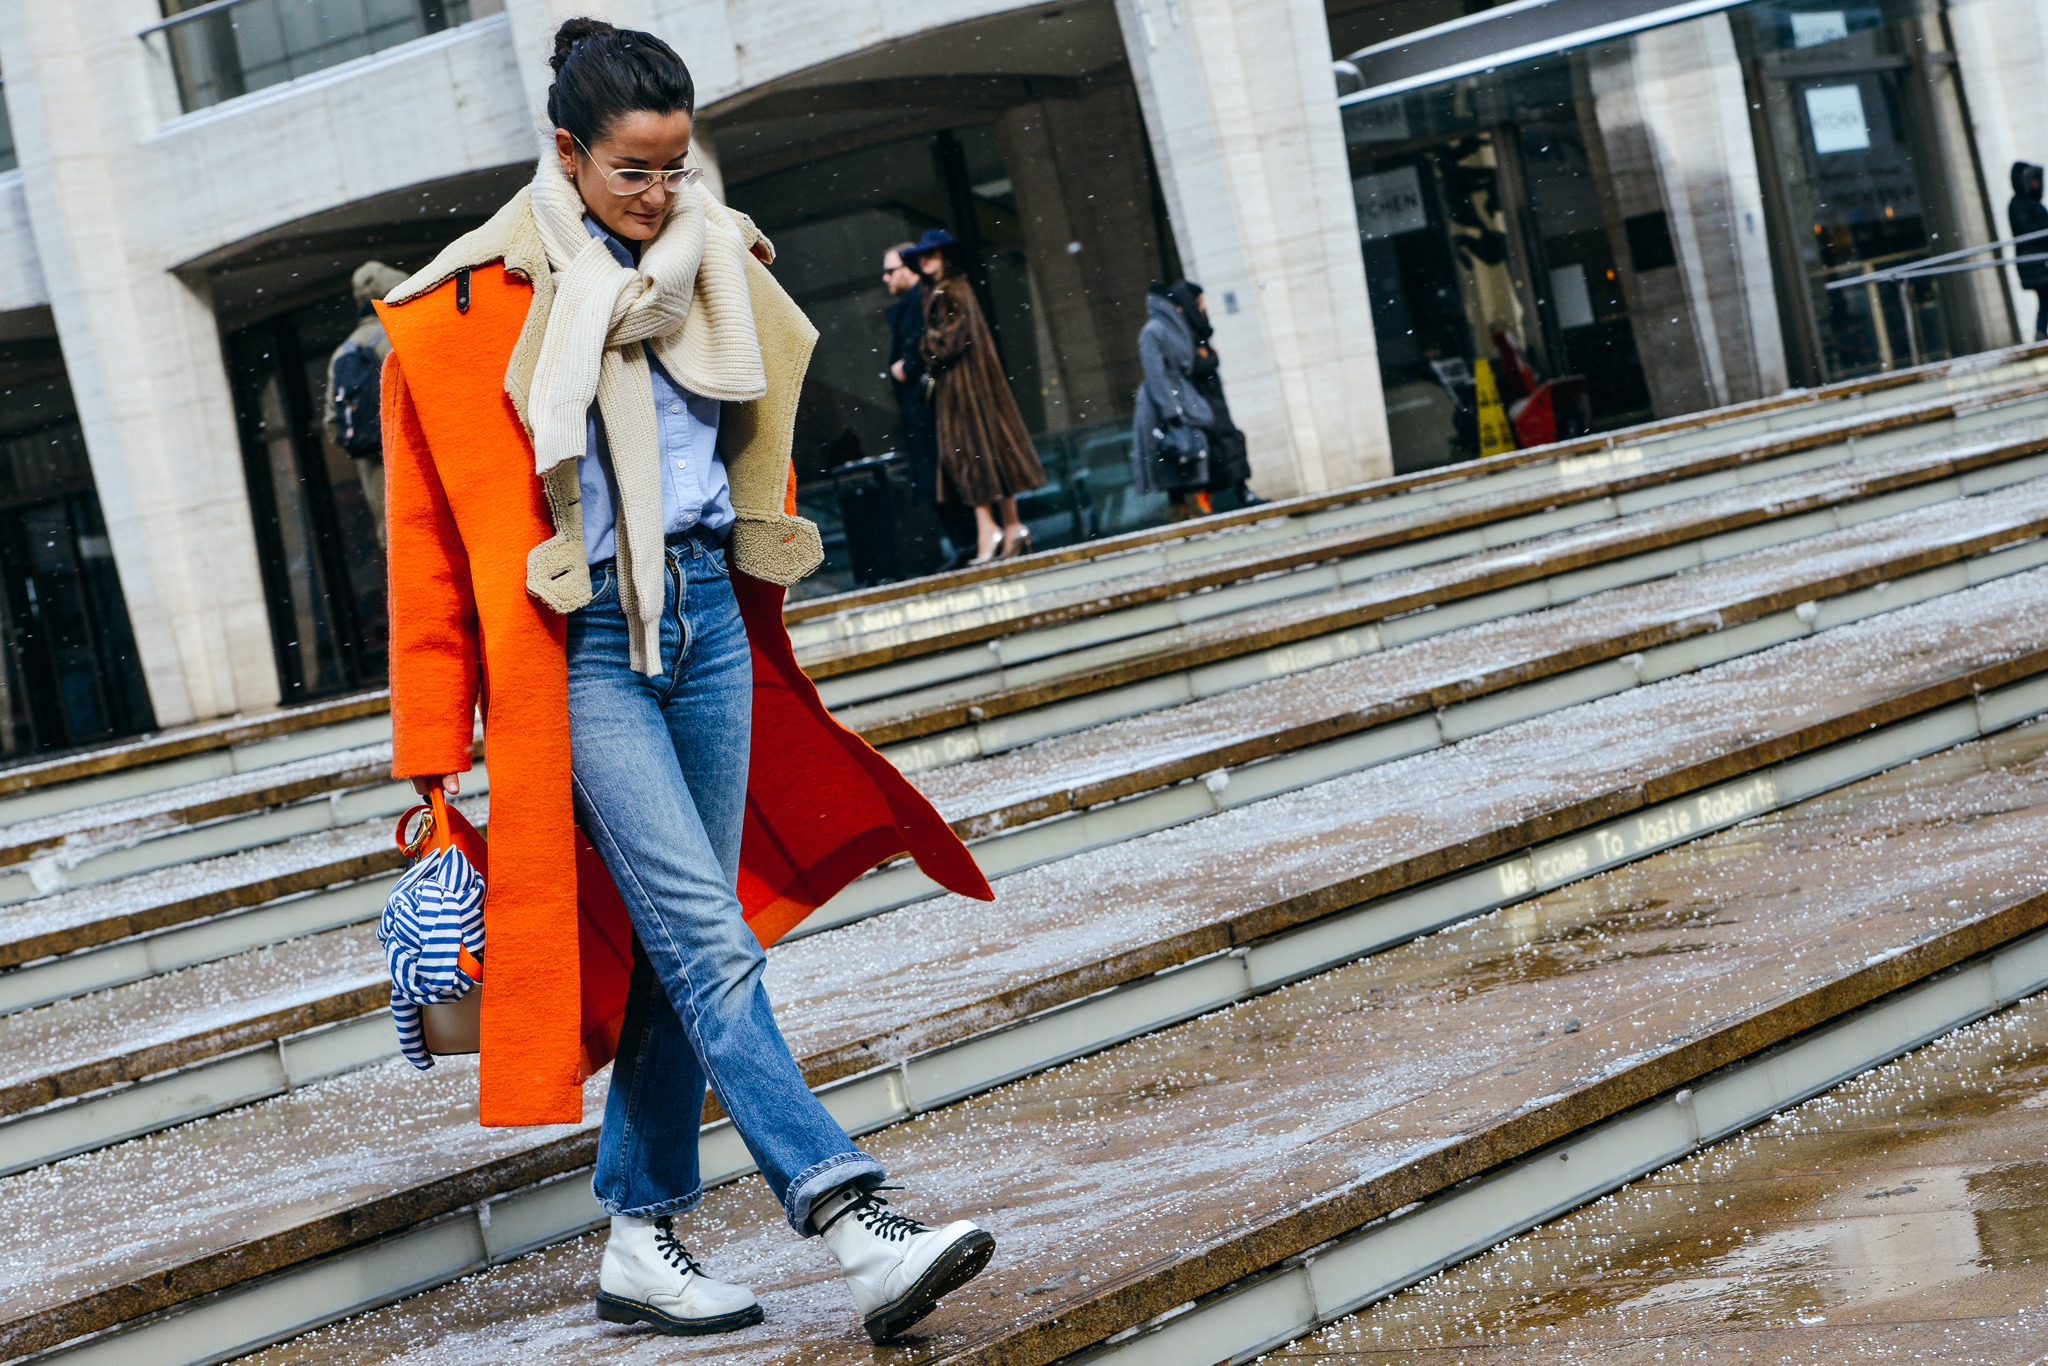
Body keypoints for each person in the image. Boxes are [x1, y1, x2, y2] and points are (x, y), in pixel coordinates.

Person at [375, 18, 995, 1345]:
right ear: (565, 154)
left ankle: (644, 1235)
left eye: (675, 166)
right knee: (708, 937)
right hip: (580, 643)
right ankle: (851, 1217)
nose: (660, 197)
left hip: (707, 615)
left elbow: (748, 446)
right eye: (631, 174)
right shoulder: (456, 313)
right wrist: (430, 762)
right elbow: (425, 557)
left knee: (686, 945)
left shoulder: (719, 264)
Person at [906, 228, 1046, 562]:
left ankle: (989, 530)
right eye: (922, 255)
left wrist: (923, 345)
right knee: (993, 454)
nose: (926, 260)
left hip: (962, 389)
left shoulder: (948, 290)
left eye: (933, 254)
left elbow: (947, 343)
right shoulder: (957, 287)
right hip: (978, 387)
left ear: (946, 257)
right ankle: (1012, 526)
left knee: (968, 458)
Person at [882, 243, 974, 567]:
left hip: (929, 406)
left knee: (942, 475)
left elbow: (930, 346)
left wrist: (907, 367)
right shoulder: (918, 301)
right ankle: (965, 543)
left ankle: (968, 543)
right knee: (936, 477)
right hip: (922, 407)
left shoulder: (925, 300)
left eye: (891, 270)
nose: (886, 278)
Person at [322, 260, 407, 545]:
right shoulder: (399, 333)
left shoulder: (341, 353)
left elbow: (333, 427)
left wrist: (369, 432)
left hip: (383, 499)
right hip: (419, 475)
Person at [1163, 280, 1263, 510]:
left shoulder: (1194, 330)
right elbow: (1199, 364)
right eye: (1200, 302)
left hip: (1210, 396)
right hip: (1202, 399)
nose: (1204, 308)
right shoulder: (1183, 332)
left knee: (1227, 441)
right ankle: (1232, 495)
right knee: (1219, 444)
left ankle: (1237, 492)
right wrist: (1210, 358)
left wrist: (1210, 357)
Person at [1131, 281, 1215, 518]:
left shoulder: (1166, 329)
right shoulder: (1154, 331)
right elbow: (1155, 373)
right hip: (1164, 402)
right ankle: (1185, 511)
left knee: (1187, 453)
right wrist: (1170, 409)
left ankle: (1188, 508)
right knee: (1174, 455)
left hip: (1177, 397)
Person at [2011, 162, 2048, 340]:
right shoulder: (2019, 204)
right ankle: (2040, 332)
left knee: (2046, 298)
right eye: (2033, 181)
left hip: (2039, 259)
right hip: (2035, 261)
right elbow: (2026, 228)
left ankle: (2041, 332)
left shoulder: (2030, 204)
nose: (2037, 184)